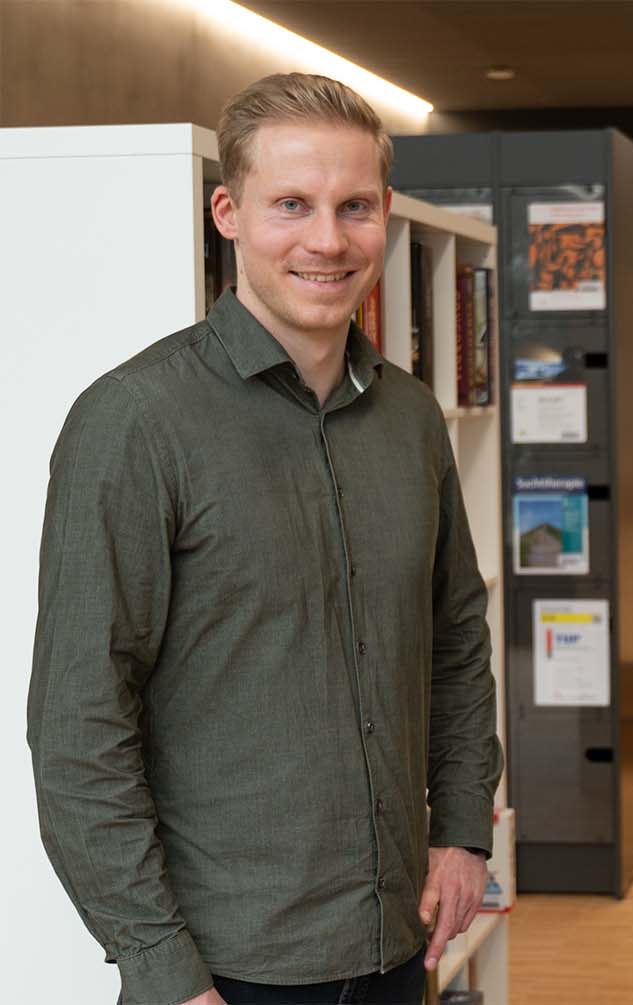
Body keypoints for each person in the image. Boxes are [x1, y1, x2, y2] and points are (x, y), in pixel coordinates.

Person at [28, 73, 504, 1005]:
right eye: (291, 204)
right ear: (228, 211)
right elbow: (78, 725)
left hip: (395, 941)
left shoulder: (411, 418)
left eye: (354, 206)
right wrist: (161, 969)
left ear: (385, 214)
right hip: (226, 969)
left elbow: (455, 639)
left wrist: (460, 831)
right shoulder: (133, 422)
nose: (327, 240)